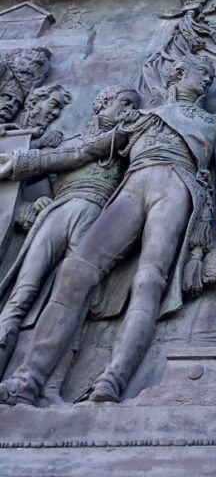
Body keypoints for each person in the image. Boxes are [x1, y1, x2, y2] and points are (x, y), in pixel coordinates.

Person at [0, 54, 216, 406]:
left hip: (177, 186)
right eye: (202, 72)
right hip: (133, 184)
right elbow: (81, 153)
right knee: (75, 270)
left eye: (210, 76)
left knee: (149, 279)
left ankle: (112, 381)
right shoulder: (142, 118)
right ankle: (27, 380)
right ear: (178, 72)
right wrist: (20, 163)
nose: (207, 80)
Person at [0, 87, 139, 377]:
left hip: (95, 218)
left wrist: (23, 161)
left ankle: (48, 382)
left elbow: (80, 154)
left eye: (132, 105)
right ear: (104, 102)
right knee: (22, 293)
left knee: (72, 300)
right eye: (124, 102)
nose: (129, 109)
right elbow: (41, 181)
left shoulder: (126, 139)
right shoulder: (68, 142)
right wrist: (36, 203)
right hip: (57, 212)